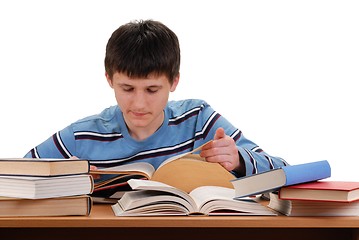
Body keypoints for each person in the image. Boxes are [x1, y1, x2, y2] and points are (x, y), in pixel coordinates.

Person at [24, 19, 287, 180]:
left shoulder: (199, 120)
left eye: (152, 90)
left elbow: (284, 170)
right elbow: (16, 176)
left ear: (174, 82)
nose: (138, 104)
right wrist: (62, 179)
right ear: (109, 80)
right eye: (127, 88)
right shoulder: (81, 137)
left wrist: (239, 159)